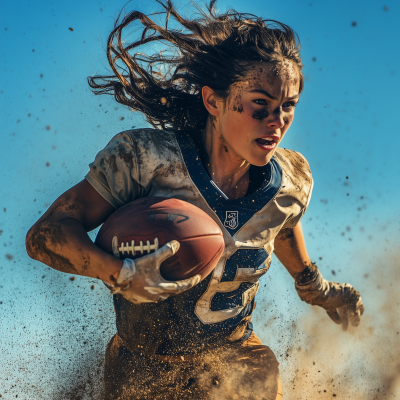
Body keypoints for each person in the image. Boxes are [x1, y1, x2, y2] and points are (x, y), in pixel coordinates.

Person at [25, 1, 365, 399]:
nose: (277, 122)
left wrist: (316, 288)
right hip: (141, 361)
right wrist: (119, 273)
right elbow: (44, 235)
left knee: (258, 376)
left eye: (287, 106)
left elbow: (284, 224)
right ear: (212, 101)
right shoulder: (145, 160)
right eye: (261, 104)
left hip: (234, 355)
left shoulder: (293, 179)